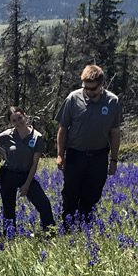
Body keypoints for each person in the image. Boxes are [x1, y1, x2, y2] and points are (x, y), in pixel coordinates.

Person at [55, 64, 122, 225]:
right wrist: (59, 154)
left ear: (101, 85)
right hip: (75, 155)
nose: (89, 92)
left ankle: (85, 225)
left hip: (99, 156)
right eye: (86, 88)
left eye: (93, 89)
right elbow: (62, 129)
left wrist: (114, 159)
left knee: (93, 193)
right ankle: (68, 226)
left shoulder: (113, 102)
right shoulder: (73, 98)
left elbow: (115, 133)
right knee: (70, 192)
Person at [0, 107, 55, 236]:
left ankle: (50, 233)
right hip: (9, 174)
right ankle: (9, 237)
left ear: (25, 116)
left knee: (44, 203)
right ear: (11, 122)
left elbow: (35, 164)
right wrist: (4, 153)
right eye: (14, 120)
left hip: (26, 174)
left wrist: (27, 185)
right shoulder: (8, 134)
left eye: (20, 118)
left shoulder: (36, 137)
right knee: (9, 209)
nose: (18, 122)